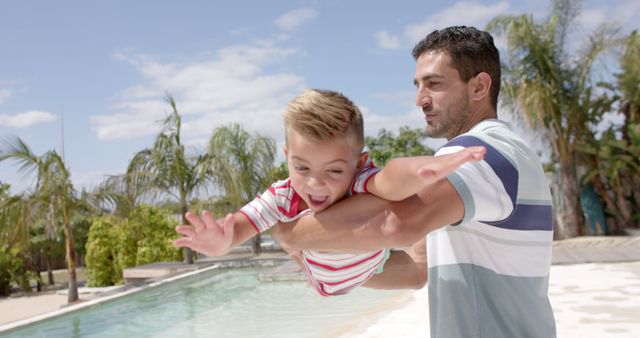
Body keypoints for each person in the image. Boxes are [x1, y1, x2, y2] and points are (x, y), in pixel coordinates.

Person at [270, 26, 557, 338]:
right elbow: (415, 268)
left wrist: (288, 234)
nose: (420, 99)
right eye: (418, 85)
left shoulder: (482, 152)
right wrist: (326, 264)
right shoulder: (497, 157)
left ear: (479, 87)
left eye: (433, 84)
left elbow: (392, 224)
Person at [173, 88, 485, 297]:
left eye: (334, 170)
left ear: (358, 162)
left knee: (419, 276)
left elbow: (391, 178)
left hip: (371, 266)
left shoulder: (360, 179)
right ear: (287, 157)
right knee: (294, 238)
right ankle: (302, 254)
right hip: (321, 276)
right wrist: (221, 242)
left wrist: (428, 169)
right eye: (302, 168)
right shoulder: (282, 196)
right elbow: (240, 227)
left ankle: (430, 233)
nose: (315, 184)